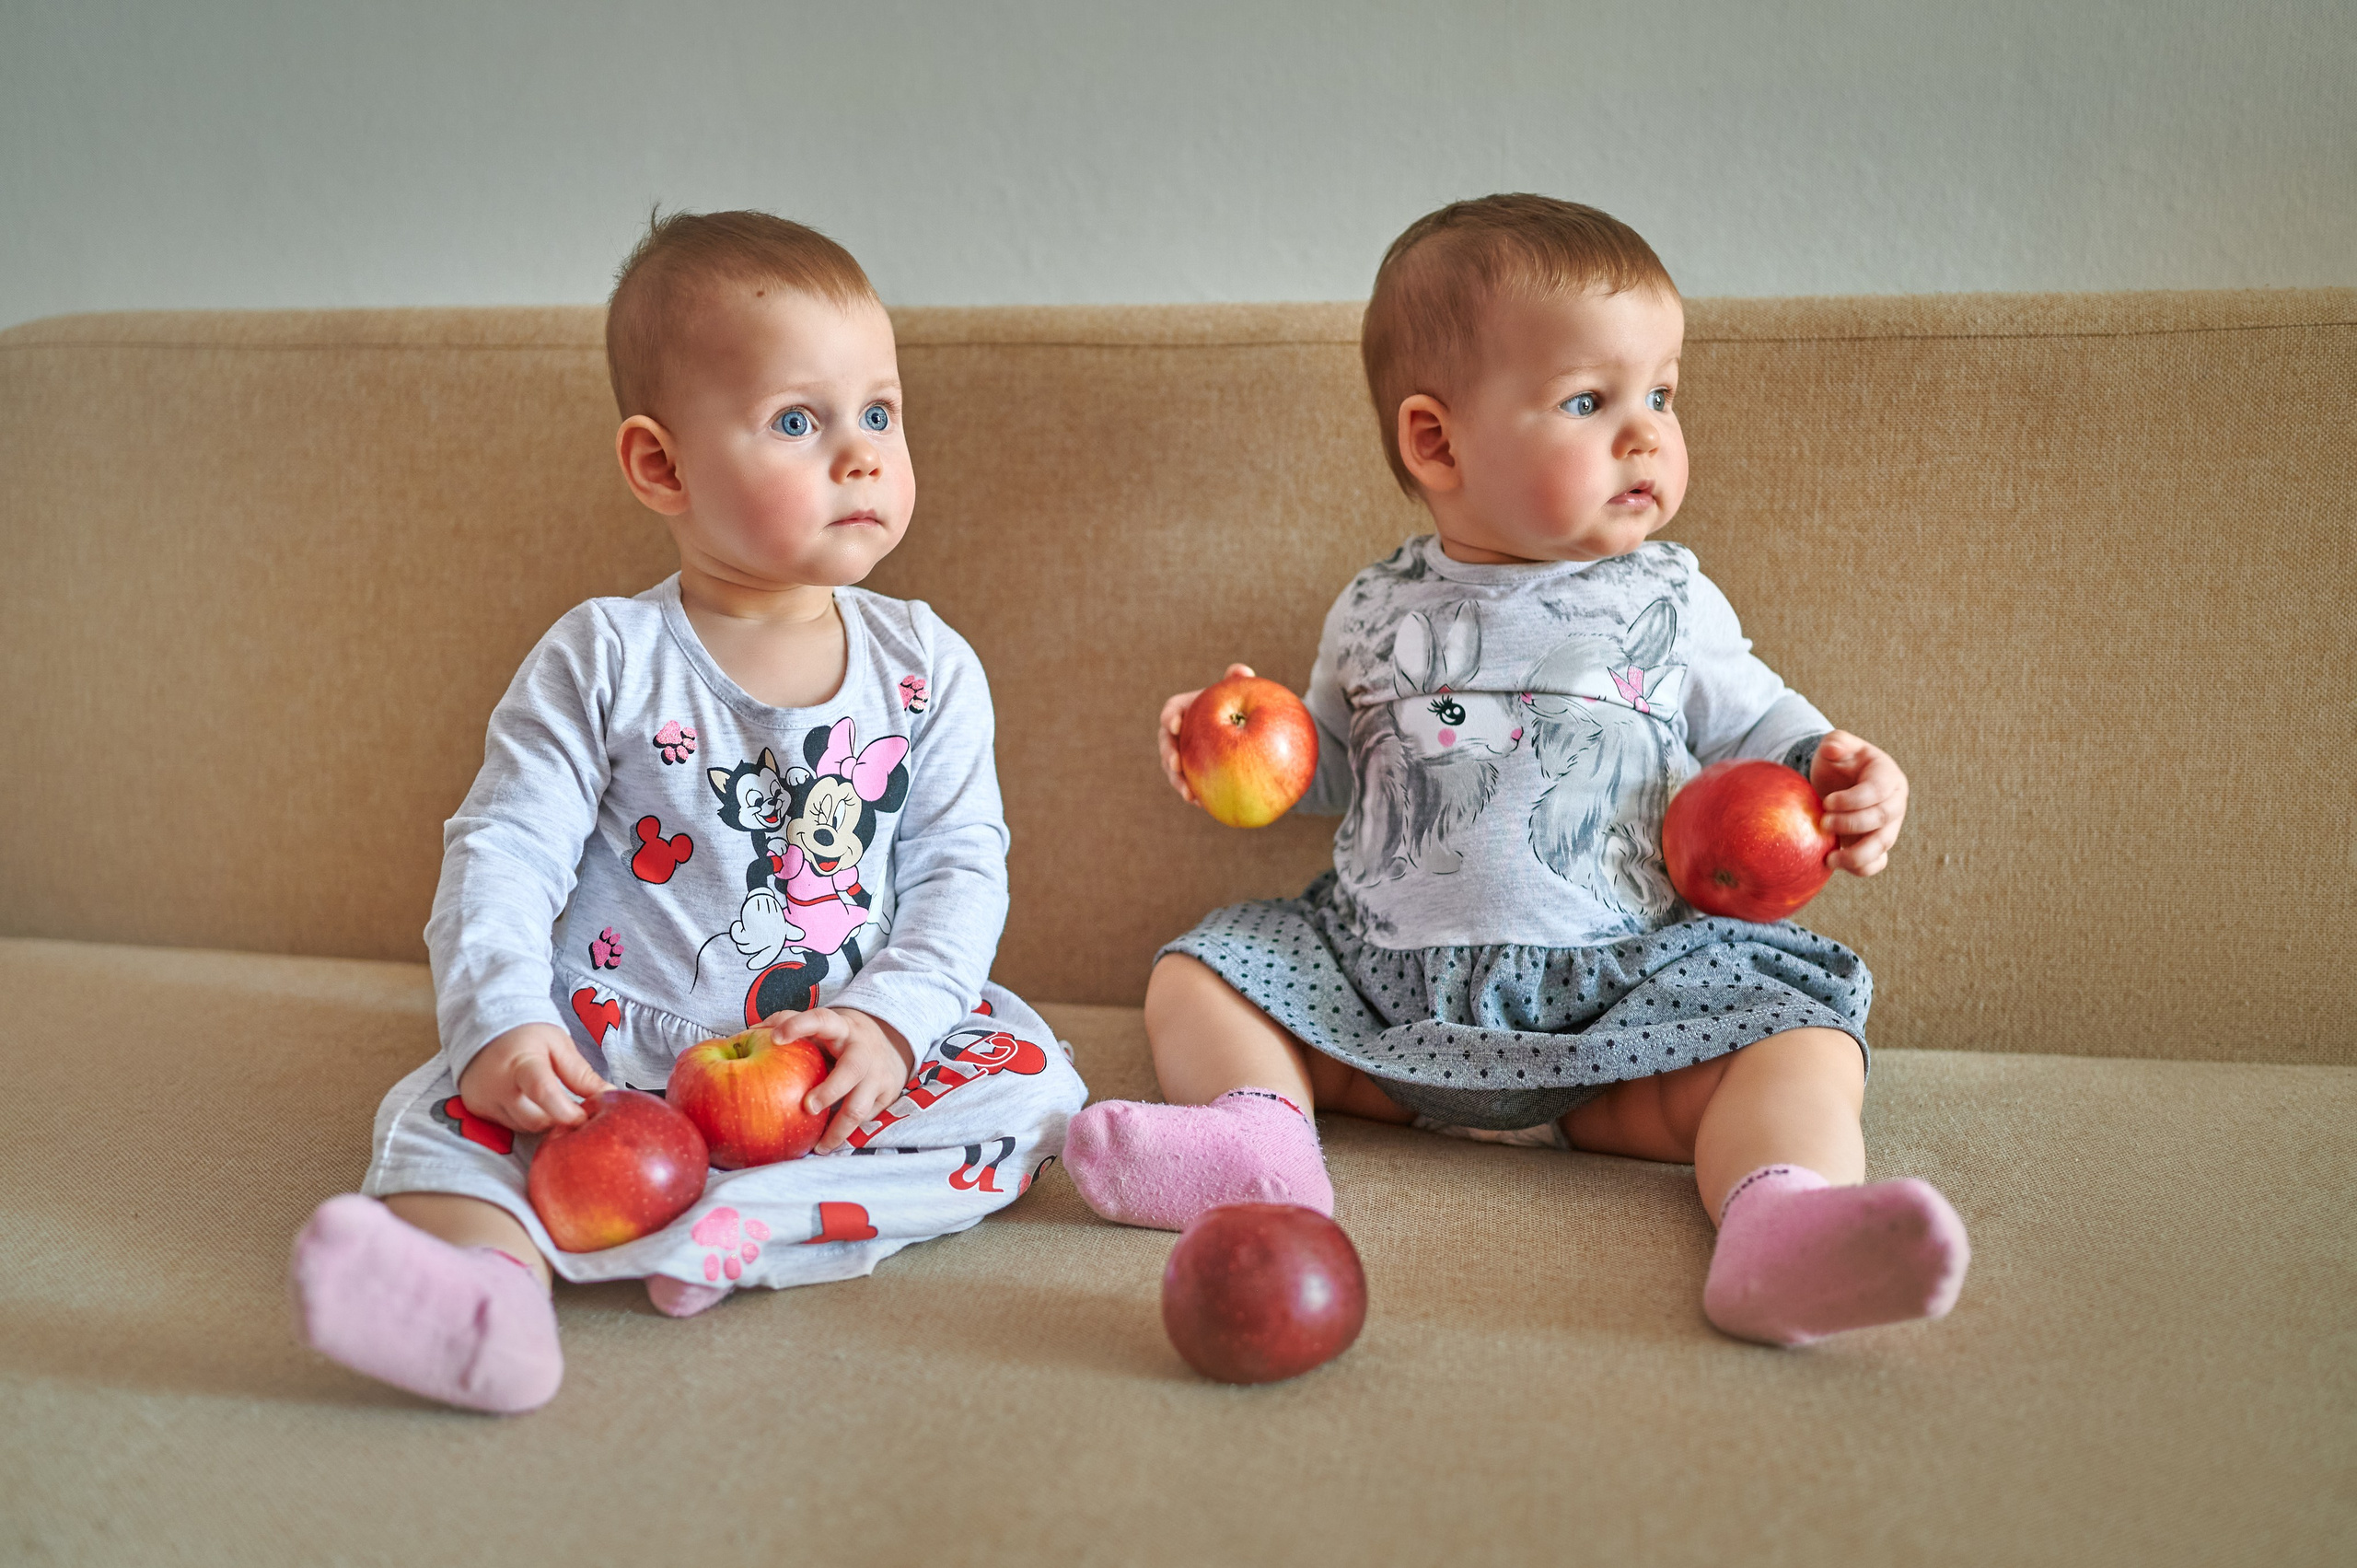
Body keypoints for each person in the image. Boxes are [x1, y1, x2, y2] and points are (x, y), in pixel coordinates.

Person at [1066, 194, 1967, 1347]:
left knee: (1801, 1037)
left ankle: (1780, 1225)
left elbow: (1769, 729)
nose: (1644, 434)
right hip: (1382, 1005)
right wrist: (1240, 748)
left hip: (1617, 1019)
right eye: (1590, 402)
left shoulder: (1668, 600)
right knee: (1201, 969)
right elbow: (1336, 770)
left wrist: (1839, 772)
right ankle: (1260, 1143)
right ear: (1435, 441)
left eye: (1662, 395)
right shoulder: (1373, 608)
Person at [289, 211, 1085, 1411]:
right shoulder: (604, 655)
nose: (863, 455)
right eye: (800, 422)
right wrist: (502, 1021)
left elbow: (962, 869)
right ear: (662, 466)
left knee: (1036, 1086)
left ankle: (746, 1225)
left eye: (881, 412)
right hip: (611, 1056)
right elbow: (504, 847)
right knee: (432, 1120)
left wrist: (892, 1023)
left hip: (835, 1068)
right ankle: (484, 1301)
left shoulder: (926, 664)